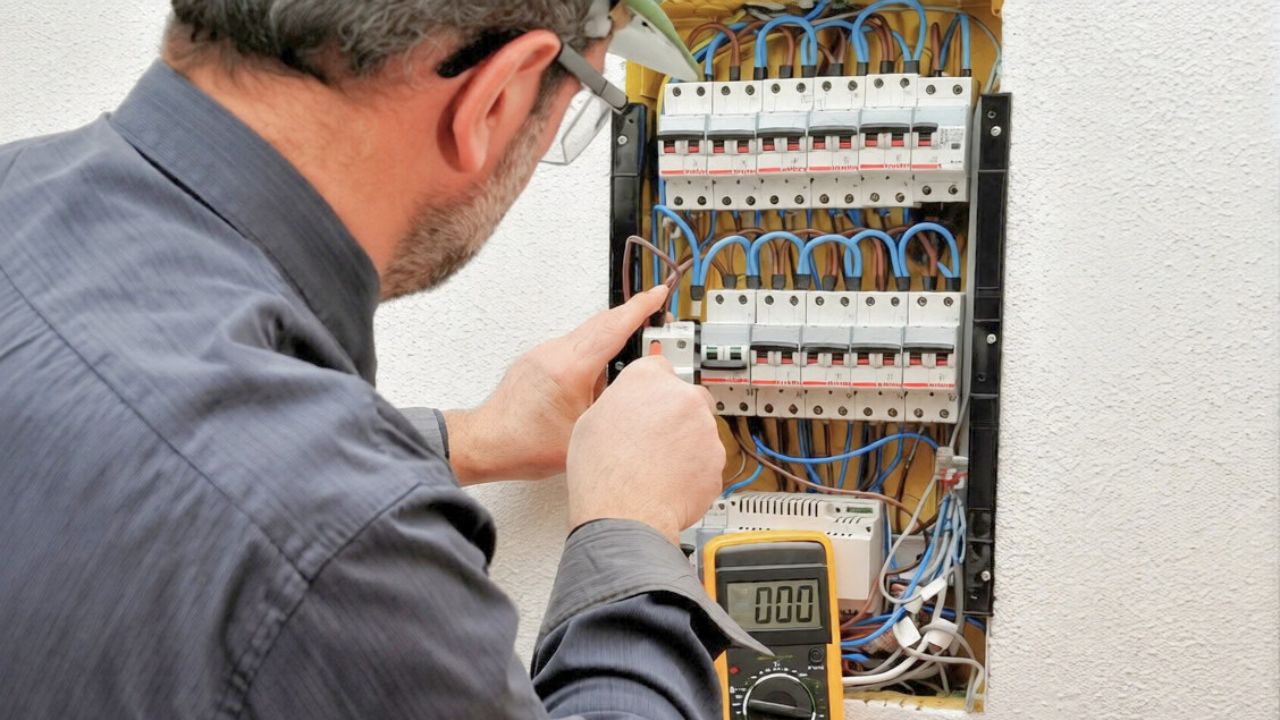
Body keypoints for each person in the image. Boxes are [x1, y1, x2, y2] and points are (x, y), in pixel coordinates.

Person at [0, 1, 761, 717]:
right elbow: (283, 513)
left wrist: (470, 441)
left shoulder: (16, 187)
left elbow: (144, 447)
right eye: (580, 103)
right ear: (494, 98)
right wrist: (628, 524)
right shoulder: (343, 550)